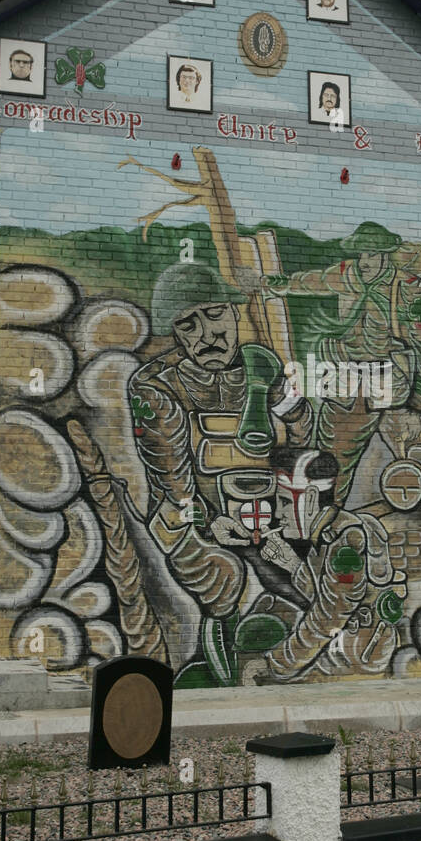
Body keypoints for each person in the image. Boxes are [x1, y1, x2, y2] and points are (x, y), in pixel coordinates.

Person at [261, 221, 421, 607]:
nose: (366, 260)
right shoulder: (351, 274)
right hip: (348, 381)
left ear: (385, 254)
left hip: (391, 386)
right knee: (329, 471)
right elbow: (316, 281)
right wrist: (280, 283)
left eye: (372, 253)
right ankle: (319, 560)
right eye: (362, 253)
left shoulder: (409, 292)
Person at [128, 261, 313, 686]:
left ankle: (269, 636)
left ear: (233, 313)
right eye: (188, 324)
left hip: (266, 514)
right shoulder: (157, 386)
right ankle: (226, 655)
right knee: (221, 578)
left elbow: (305, 436)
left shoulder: (261, 368)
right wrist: (212, 523)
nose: (207, 334)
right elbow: (172, 479)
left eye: (214, 315)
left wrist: (282, 395)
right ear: (176, 333)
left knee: (311, 584)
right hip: (195, 521)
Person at [246, 446, 404, 682]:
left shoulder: (347, 543)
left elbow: (329, 616)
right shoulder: (327, 534)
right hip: (345, 646)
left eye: (285, 502)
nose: (279, 512)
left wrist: (275, 664)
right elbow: (324, 596)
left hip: (357, 657)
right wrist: (290, 563)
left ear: (309, 498)